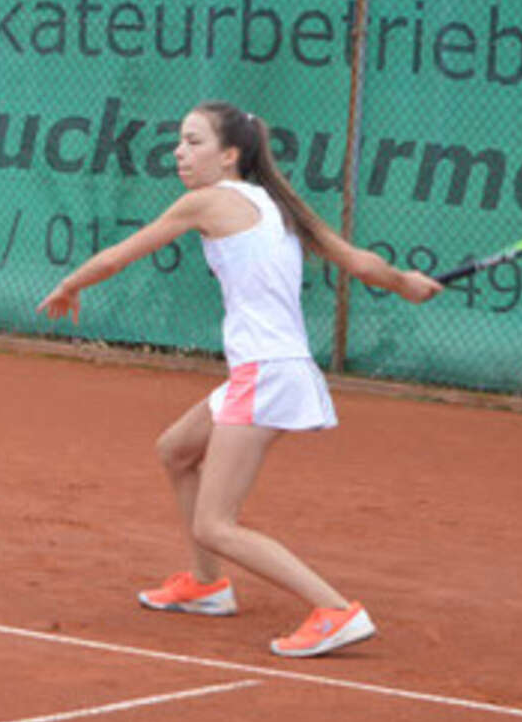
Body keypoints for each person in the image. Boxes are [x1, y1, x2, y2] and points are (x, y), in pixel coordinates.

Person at [37, 101, 442, 658]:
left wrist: (70, 285)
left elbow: (117, 258)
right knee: (177, 450)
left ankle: (334, 609)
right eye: (180, 141)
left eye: (193, 141)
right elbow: (360, 263)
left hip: (265, 372)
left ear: (229, 156)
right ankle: (207, 586)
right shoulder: (278, 204)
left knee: (215, 524)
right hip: (271, 367)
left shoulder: (207, 201)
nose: (180, 152)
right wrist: (405, 283)